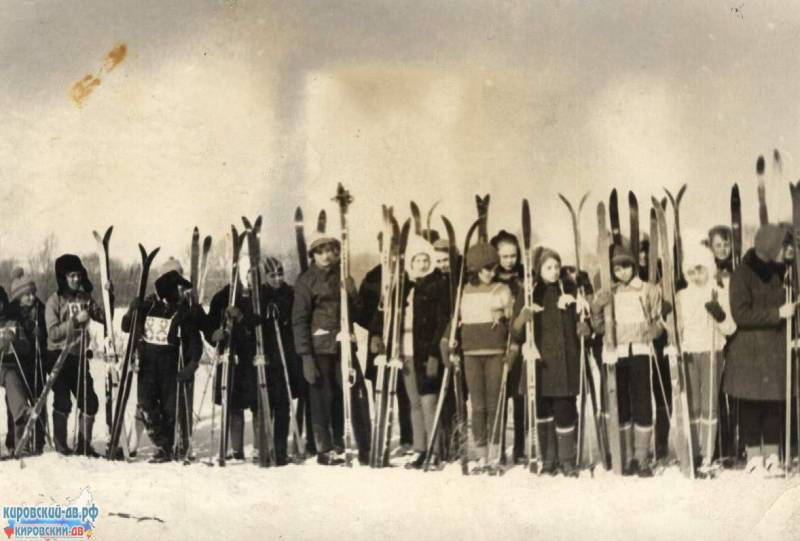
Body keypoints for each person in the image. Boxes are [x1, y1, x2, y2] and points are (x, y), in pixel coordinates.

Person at [292, 232, 371, 465]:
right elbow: (299, 320)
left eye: (329, 250)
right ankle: (324, 449)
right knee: (321, 398)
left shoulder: (342, 276)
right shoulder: (306, 281)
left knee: (356, 394)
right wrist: (305, 356)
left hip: (344, 344)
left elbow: (358, 315)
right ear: (313, 255)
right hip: (320, 349)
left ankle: (365, 447)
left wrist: (353, 293)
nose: (326, 256)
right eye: (320, 251)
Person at [724, 224, 796, 475]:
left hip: (774, 350)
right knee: (752, 404)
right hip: (750, 351)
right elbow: (741, 314)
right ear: (768, 247)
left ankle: (773, 455)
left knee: (774, 403)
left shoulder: (782, 274)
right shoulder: (742, 274)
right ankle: (754, 456)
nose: (785, 251)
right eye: (781, 246)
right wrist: (777, 313)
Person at [514, 248, 589, 476]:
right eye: (548, 267)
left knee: (565, 410)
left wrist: (584, 326)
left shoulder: (570, 290)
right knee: (544, 412)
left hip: (565, 362)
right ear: (539, 270)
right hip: (540, 363)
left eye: (557, 267)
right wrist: (523, 317)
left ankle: (567, 459)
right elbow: (516, 332)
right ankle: (548, 458)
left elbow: (584, 321)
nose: (554, 271)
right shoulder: (530, 293)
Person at [443, 242, 515, 473]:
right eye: (485, 269)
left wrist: (512, 348)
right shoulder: (464, 291)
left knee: (495, 404)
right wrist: (447, 342)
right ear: (475, 269)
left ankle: (495, 455)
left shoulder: (502, 290)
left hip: (495, 352)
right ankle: (481, 455)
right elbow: (455, 321)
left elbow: (513, 324)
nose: (490, 273)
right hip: (471, 353)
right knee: (478, 405)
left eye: (493, 269)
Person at [592, 245, 663, 477]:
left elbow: (658, 318)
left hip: (641, 351)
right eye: (617, 268)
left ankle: (641, 458)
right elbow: (599, 327)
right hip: (616, 353)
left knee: (642, 402)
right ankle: (624, 453)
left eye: (626, 267)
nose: (622, 272)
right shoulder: (609, 292)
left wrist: (656, 330)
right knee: (620, 403)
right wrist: (596, 308)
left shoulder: (647, 289)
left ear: (633, 266)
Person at [122, 258, 202, 463]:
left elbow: (193, 339)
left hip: (169, 364)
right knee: (146, 403)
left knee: (170, 408)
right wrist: (133, 309)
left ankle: (168, 448)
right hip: (148, 365)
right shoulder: (149, 305)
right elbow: (126, 326)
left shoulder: (183, 310)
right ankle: (162, 442)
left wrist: (191, 365)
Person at [678, 239, 736, 476]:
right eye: (690, 270)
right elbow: (676, 326)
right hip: (690, 351)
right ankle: (693, 449)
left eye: (699, 269)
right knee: (692, 403)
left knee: (709, 401)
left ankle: (707, 454)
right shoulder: (681, 295)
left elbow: (730, 328)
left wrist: (720, 315)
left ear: (708, 267)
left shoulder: (718, 292)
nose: (694, 275)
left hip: (712, 350)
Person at [45, 254, 108, 457]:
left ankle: (83, 444)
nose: (76, 280)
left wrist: (109, 296)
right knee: (63, 400)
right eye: (71, 276)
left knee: (89, 402)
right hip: (58, 356)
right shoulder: (54, 301)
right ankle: (61, 446)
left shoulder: (85, 299)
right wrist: (74, 321)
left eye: (78, 275)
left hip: (78, 357)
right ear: (63, 277)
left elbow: (105, 316)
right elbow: (53, 333)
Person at [398, 235, 449, 469]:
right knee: (414, 403)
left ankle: (434, 449)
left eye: (425, 260)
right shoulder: (405, 288)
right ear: (410, 262)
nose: (422, 265)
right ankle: (420, 449)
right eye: (417, 261)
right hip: (406, 352)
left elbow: (441, 322)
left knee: (429, 402)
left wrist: (434, 355)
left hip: (425, 354)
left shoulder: (436, 286)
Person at [490, 230, 526, 464]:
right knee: (500, 396)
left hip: (521, 344)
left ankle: (521, 447)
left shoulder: (524, 277)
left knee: (520, 397)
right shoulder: (491, 281)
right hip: (499, 343)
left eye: (513, 256)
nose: (509, 260)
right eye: (505, 256)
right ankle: (499, 446)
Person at [262, 255, 301, 464]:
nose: (277, 279)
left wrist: (282, 315)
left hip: (286, 356)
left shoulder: (290, 292)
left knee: (284, 405)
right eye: (272, 275)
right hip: (268, 358)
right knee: (268, 405)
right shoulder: (260, 294)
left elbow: (295, 315)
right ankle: (265, 448)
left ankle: (280, 450)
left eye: (280, 274)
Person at [4, 269, 47, 456]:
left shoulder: (40, 309)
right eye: (26, 295)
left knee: (38, 398)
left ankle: (38, 441)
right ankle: (15, 441)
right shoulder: (11, 313)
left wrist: (41, 335)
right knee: (14, 401)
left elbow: (49, 332)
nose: (31, 298)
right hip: (15, 363)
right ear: (18, 297)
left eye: (32, 293)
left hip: (35, 361)